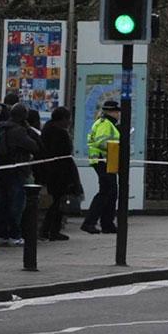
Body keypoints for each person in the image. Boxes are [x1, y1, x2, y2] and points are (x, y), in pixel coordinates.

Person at [0, 102, 39, 248]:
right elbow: (34, 146)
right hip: (16, 171)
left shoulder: (2, 128)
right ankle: (14, 234)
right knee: (17, 205)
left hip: (1, 171)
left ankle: (1, 234)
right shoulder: (18, 131)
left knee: (3, 203)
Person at [36, 107, 81, 241]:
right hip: (58, 173)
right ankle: (52, 230)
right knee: (57, 202)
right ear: (62, 119)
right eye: (68, 119)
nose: (69, 122)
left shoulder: (47, 130)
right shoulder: (59, 134)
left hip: (50, 171)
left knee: (55, 202)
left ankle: (47, 230)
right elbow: (65, 155)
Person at [81, 99, 121, 235]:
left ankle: (107, 224)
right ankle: (90, 222)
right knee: (106, 191)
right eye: (117, 111)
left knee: (111, 192)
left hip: (107, 160)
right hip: (102, 160)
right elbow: (102, 142)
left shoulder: (106, 123)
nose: (119, 114)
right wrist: (119, 143)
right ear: (112, 112)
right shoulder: (106, 124)